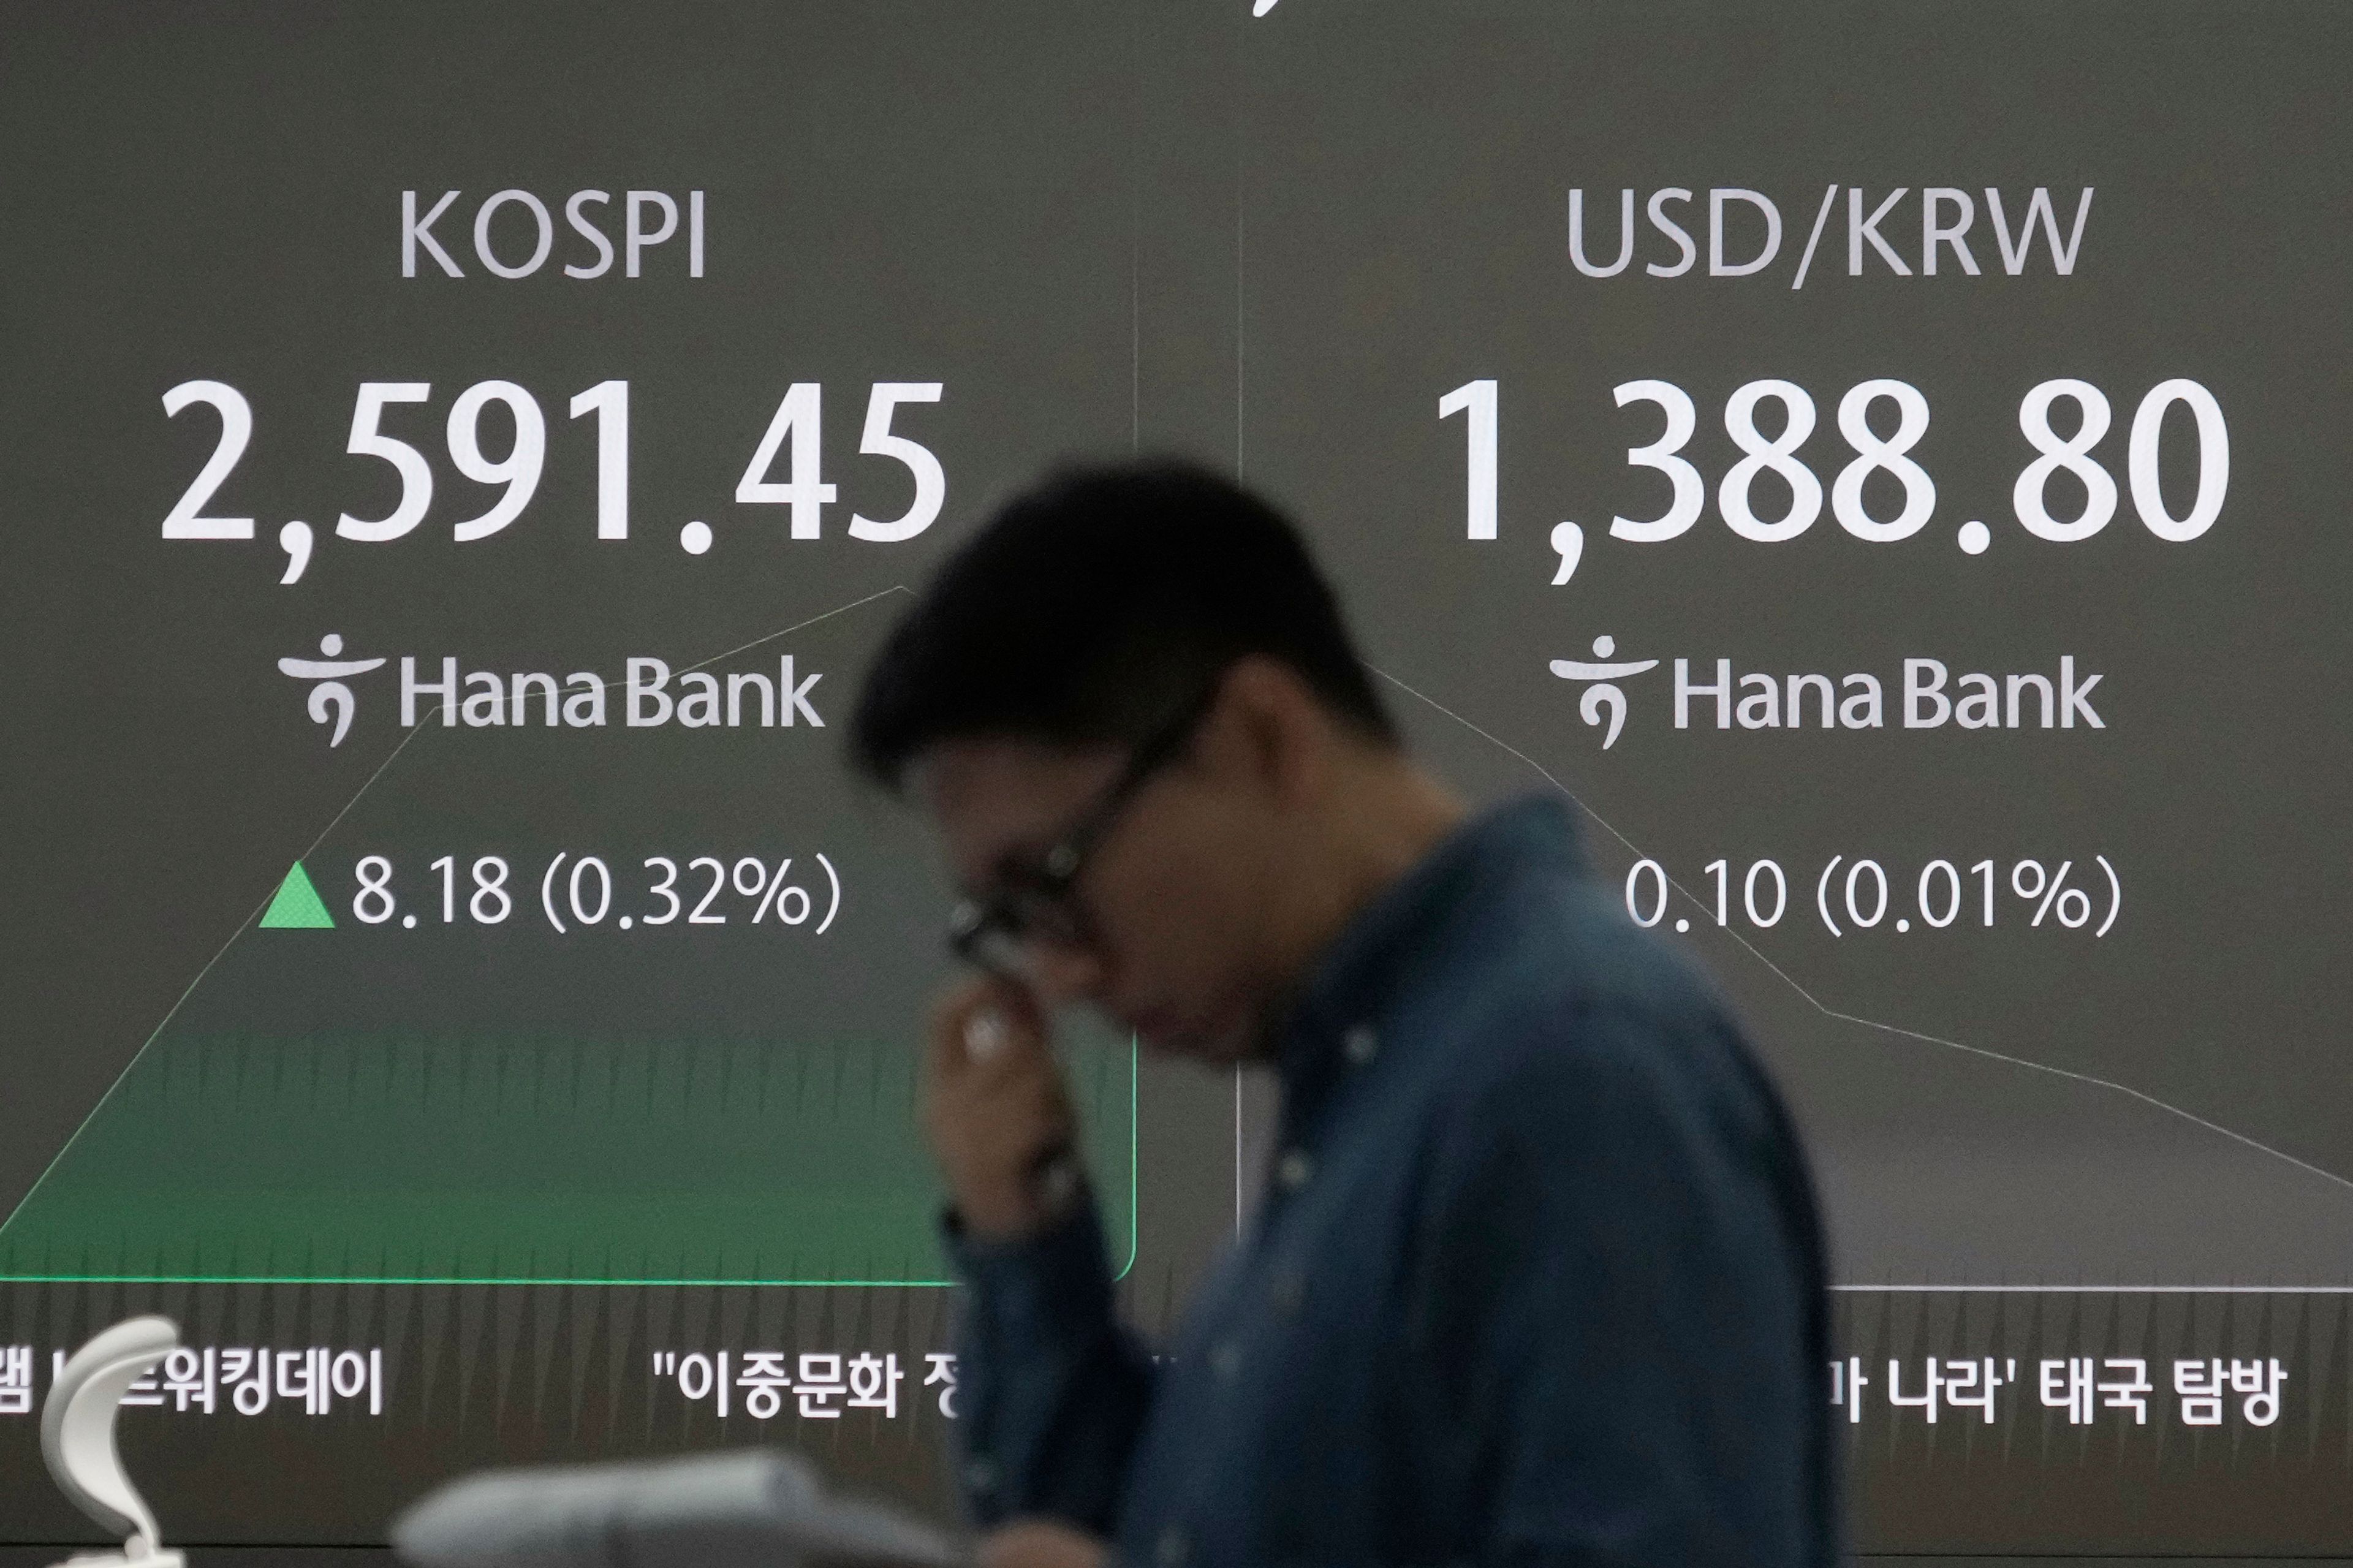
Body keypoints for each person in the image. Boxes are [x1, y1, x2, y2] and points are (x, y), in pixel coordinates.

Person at [847, 461, 1838, 1568]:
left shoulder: (1572, 1072)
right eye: (1006, 919)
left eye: (1054, 881)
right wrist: (1025, 1238)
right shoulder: (1377, 1084)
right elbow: (1135, 1538)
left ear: (1264, 736)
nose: (1059, 974)